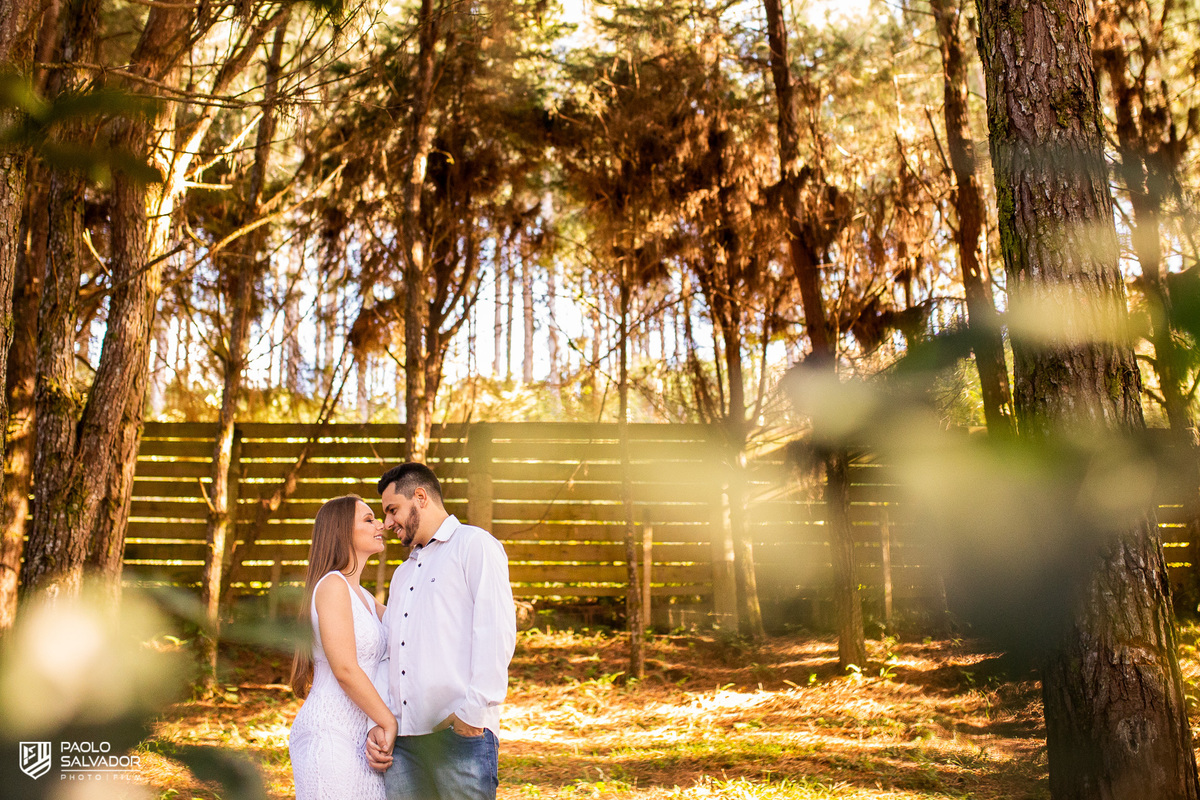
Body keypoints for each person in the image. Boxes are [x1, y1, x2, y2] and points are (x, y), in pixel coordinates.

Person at [365, 462, 517, 800]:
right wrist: (384, 720)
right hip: (402, 745)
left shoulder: (474, 545)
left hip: (459, 738)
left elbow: (496, 632)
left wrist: (471, 718)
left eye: (392, 510)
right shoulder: (402, 575)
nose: (387, 523)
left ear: (420, 497)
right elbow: (391, 652)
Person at [289, 495, 396, 800]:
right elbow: (346, 669)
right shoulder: (332, 585)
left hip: (363, 739)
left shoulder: (362, 595)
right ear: (341, 532)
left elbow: (408, 627)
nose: (381, 525)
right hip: (330, 735)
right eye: (368, 519)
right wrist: (387, 721)